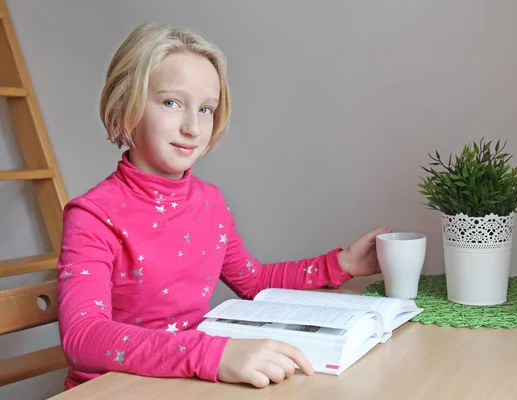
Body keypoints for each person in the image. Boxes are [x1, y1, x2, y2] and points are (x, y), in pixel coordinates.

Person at [57, 22, 390, 390]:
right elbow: (83, 337)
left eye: (205, 109)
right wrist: (212, 354)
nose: (193, 128)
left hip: (188, 381)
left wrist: (342, 264)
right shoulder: (92, 215)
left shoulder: (209, 202)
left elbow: (254, 282)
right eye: (171, 103)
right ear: (126, 108)